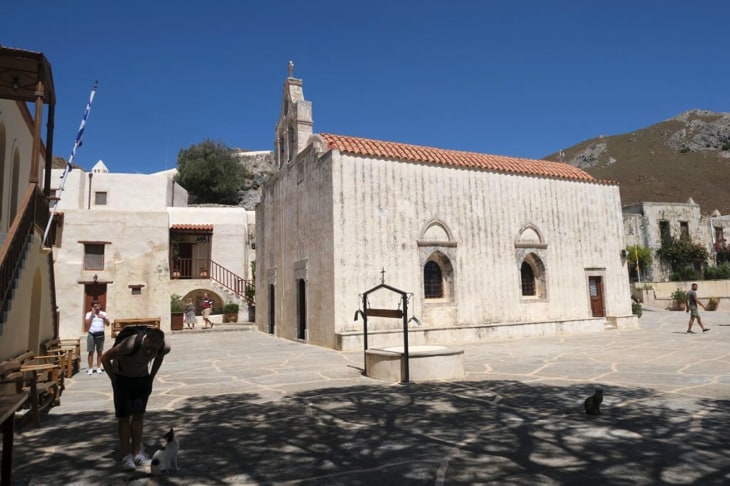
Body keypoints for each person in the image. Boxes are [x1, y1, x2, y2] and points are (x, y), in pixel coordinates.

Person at [101, 327, 171, 471]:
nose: (151, 351)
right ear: (146, 339)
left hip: (142, 379)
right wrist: (114, 379)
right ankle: (126, 456)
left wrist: (151, 377)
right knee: (124, 417)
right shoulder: (130, 344)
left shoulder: (164, 347)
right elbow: (105, 358)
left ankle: (137, 452)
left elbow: (159, 358)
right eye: (149, 347)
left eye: (155, 348)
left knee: (139, 416)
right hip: (123, 379)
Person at [84, 301, 110, 375]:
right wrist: (92, 316)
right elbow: (86, 325)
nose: (97, 308)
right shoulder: (88, 314)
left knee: (99, 351)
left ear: (100, 307)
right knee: (90, 351)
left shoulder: (104, 314)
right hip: (91, 334)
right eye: (95, 306)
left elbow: (108, 324)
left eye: (98, 306)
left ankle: (98, 368)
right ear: (92, 307)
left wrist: (104, 318)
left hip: (100, 334)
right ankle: (90, 369)